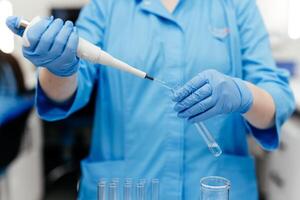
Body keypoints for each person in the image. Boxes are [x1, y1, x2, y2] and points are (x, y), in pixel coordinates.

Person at [6, 0, 295, 199]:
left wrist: (244, 95)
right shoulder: (107, 6)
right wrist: (58, 66)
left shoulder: (235, 5)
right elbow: (65, 93)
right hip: (125, 188)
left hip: (213, 188)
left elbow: (278, 99)